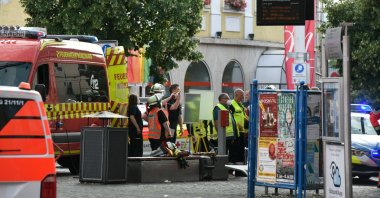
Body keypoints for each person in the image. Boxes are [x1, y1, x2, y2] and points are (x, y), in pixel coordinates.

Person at [212, 93, 238, 162]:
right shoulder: (218, 108)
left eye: (229, 98)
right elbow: (216, 122)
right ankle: (222, 167)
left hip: (229, 136)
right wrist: (221, 136)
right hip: (224, 136)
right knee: (224, 153)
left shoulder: (227, 108)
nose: (228, 100)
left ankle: (228, 167)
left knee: (229, 153)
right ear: (221, 100)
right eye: (227, 98)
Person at [229, 89, 248, 164]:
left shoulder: (241, 105)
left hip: (241, 132)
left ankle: (239, 167)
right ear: (236, 95)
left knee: (240, 150)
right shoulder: (231, 104)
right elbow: (230, 118)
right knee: (234, 150)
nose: (243, 97)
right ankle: (233, 166)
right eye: (241, 95)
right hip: (235, 131)